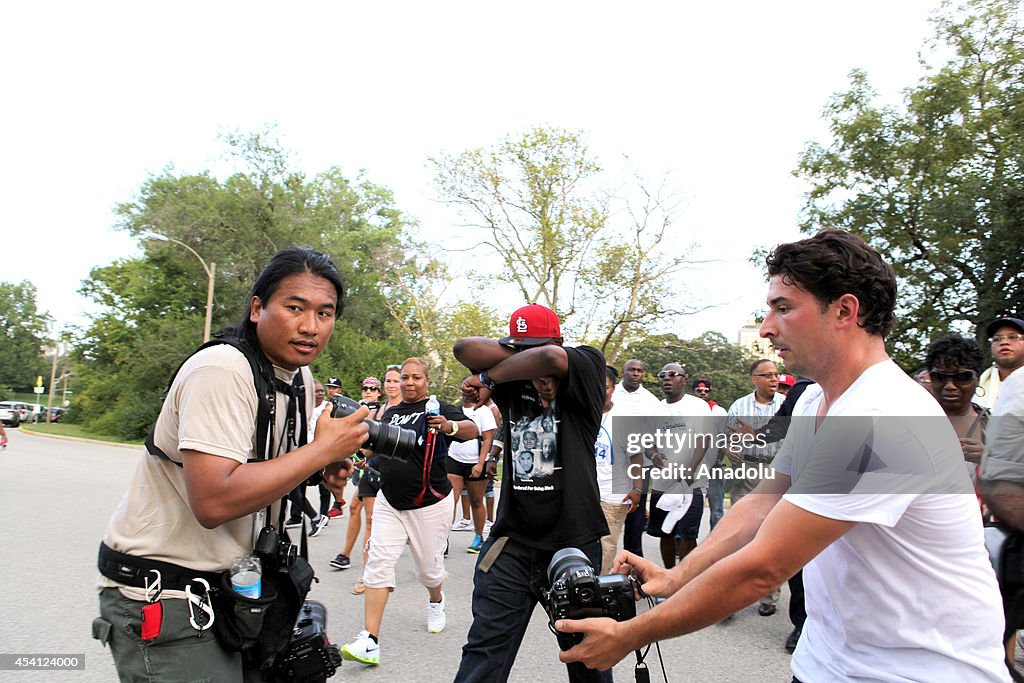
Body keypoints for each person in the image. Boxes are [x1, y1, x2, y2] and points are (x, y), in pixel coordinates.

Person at [557, 229, 1007, 682]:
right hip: (827, 662)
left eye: (784, 308)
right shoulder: (815, 401)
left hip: (921, 670)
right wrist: (678, 576)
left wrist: (629, 634)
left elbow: (763, 567)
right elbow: (764, 499)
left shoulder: (882, 414)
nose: (768, 326)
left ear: (845, 311)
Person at [93, 246, 370, 681]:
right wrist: (319, 452)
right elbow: (214, 501)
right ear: (258, 308)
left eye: (325, 313)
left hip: (233, 589)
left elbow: (269, 466)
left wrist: (318, 468)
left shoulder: (298, 378)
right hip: (168, 593)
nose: (309, 326)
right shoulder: (222, 369)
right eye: (294, 308)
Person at [453, 303, 611, 683]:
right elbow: (464, 348)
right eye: (519, 349)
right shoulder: (514, 382)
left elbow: (552, 357)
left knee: (587, 659)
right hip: (513, 544)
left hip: (573, 545)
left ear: (558, 340)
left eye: (533, 349)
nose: (533, 363)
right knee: (484, 655)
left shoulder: (586, 367)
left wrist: (488, 378)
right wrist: (510, 366)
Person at [341, 358, 478, 666]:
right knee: (378, 562)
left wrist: (449, 426)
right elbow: (377, 447)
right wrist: (356, 451)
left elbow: (470, 430)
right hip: (390, 500)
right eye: (405, 377)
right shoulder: (392, 412)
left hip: (429, 505)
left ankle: (436, 600)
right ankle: (370, 641)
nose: (409, 382)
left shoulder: (437, 407)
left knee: (428, 572)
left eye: (416, 377)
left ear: (427, 381)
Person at [334, 370, 403, 596]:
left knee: (373, 521)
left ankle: (372, 572)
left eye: (396, 381)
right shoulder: (379, 408)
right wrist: (359, 458)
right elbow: (367, 436)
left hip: (389, 472)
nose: (392, 385)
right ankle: (364, 570)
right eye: (389, 381)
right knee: (360, 511)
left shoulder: (404, 410)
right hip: (371, 469)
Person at [647, 363, 710, 569]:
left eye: (673, 374)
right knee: (665, 533)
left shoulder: (697, 406)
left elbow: (703, 440)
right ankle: (668, 576)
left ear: (684, 378)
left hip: (691, 482)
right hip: (663, 483)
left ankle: (684, 579)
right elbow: (647, 443)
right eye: (663, 375)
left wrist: (690, 469)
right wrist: (654, 454)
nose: (667, 378)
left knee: (688, 534)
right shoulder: (656, 408)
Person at [594, 366, 642, 573]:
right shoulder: (583, 414)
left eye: (604, 387)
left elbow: (637, 456)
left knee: (606, 546)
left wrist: (637, 489)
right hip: (585, 492)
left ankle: (599, 591)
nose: (599, 391)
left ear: (613, 388)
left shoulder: (624, 418)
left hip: (613, 494)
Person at [925, 334, 990, 486]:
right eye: (940, 377)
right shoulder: (909, 421)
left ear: (978, 379)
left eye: (962, 377)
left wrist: (990, 459)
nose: (950, 386)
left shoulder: (994, 426)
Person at [613, 359, 661, 559]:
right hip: (611, 462)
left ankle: (633, 560)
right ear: (623, 372)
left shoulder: (650, 401)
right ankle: (605, 560)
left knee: (636, 514)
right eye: (631, 370)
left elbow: (655, 434)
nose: (635, 374)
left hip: (640, 464)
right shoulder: (610, 392)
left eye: (639, 371)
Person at [447, 376, 498, 554]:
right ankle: (443, 539)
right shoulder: (455, 410)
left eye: (470, 389)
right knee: (449, 501)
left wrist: (480, 463)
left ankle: (478, 536)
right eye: (463, 389)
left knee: (477, 501)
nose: (466, 392)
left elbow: (488, 439)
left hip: (475, 462)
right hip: (454, 459)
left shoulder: (483, 411)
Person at [691, 378, 728, 529]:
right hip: (691, 465)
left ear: (710, 392)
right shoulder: (687, 409)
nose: (702, 393)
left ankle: (716, 544)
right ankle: (684, 544)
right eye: (699, 390)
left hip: (713, 465)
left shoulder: (718, 411)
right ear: (693, 391)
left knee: (717, 509)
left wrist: (717, 461)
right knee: (688, 508)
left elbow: (723, 438)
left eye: (706, 390)